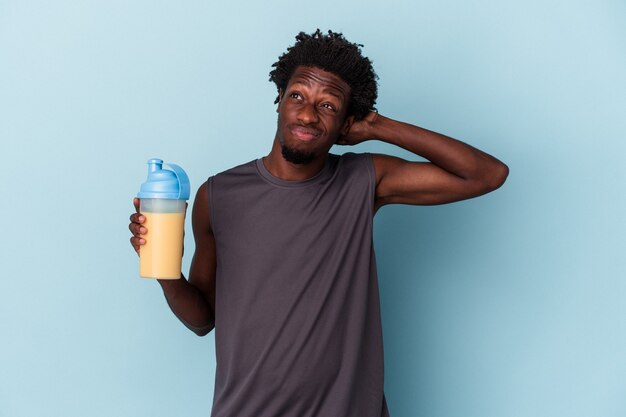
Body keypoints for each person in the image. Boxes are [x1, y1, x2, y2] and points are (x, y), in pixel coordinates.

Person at [129, 29, 508, 417]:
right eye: (297, 96)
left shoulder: (364, 181)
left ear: (347, 122)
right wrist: (165, 272)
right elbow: (202, 321)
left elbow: (485, 174)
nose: (308, 114)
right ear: (279, 99)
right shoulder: (218, 196)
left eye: (328, 105)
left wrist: (377, 126)